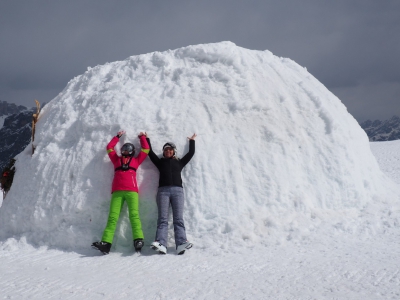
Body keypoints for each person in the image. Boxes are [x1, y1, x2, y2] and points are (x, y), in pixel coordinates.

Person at [92, 130, 149, 254]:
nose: (125, 152)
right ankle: (106, 243)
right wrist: (117, 137)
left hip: (132, 192)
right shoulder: (116, 160)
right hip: (117, 192)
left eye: (128, 150)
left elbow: (146, 150)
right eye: (124, 149)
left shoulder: (135, 161)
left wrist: (142, 137)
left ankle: (138, 239)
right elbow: (109, 147)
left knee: (134, 215)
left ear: (132, 152)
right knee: (112, 217)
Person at [146, 133, 196, 255]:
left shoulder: (179, 162)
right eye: (166, 150)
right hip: (163, 191)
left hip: (178, 191)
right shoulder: (160, 162)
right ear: (163, 152)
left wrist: (192, 141)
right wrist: (146, 139)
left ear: (174, 152)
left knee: (178, 219)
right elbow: (150, 152)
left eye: (170, 150)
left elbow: (190, 154)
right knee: (163, 219)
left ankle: (181, 243)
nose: (168, 151)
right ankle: (161, 243)